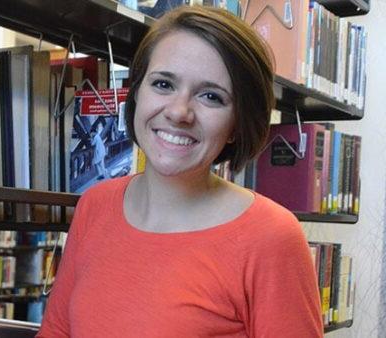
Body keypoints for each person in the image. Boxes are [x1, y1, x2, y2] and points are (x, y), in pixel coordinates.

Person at [37, 5, 322, 338]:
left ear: (236, 124)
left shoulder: (272, 236)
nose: (179, 111)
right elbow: (56, 331)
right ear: (137, 91)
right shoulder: (94, 206)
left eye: (211, 96)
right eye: (163, 84)